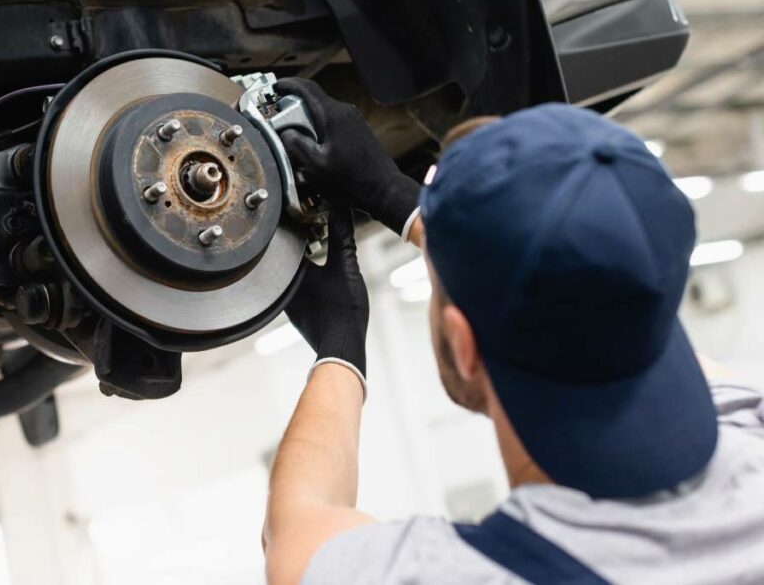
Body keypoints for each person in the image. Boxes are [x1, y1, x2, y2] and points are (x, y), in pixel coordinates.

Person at [262, 79, 764, 584]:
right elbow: (595, 293)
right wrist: (402, 203)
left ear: (465, 347)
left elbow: (293, 540)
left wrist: (338, 350)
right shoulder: (751, 430)